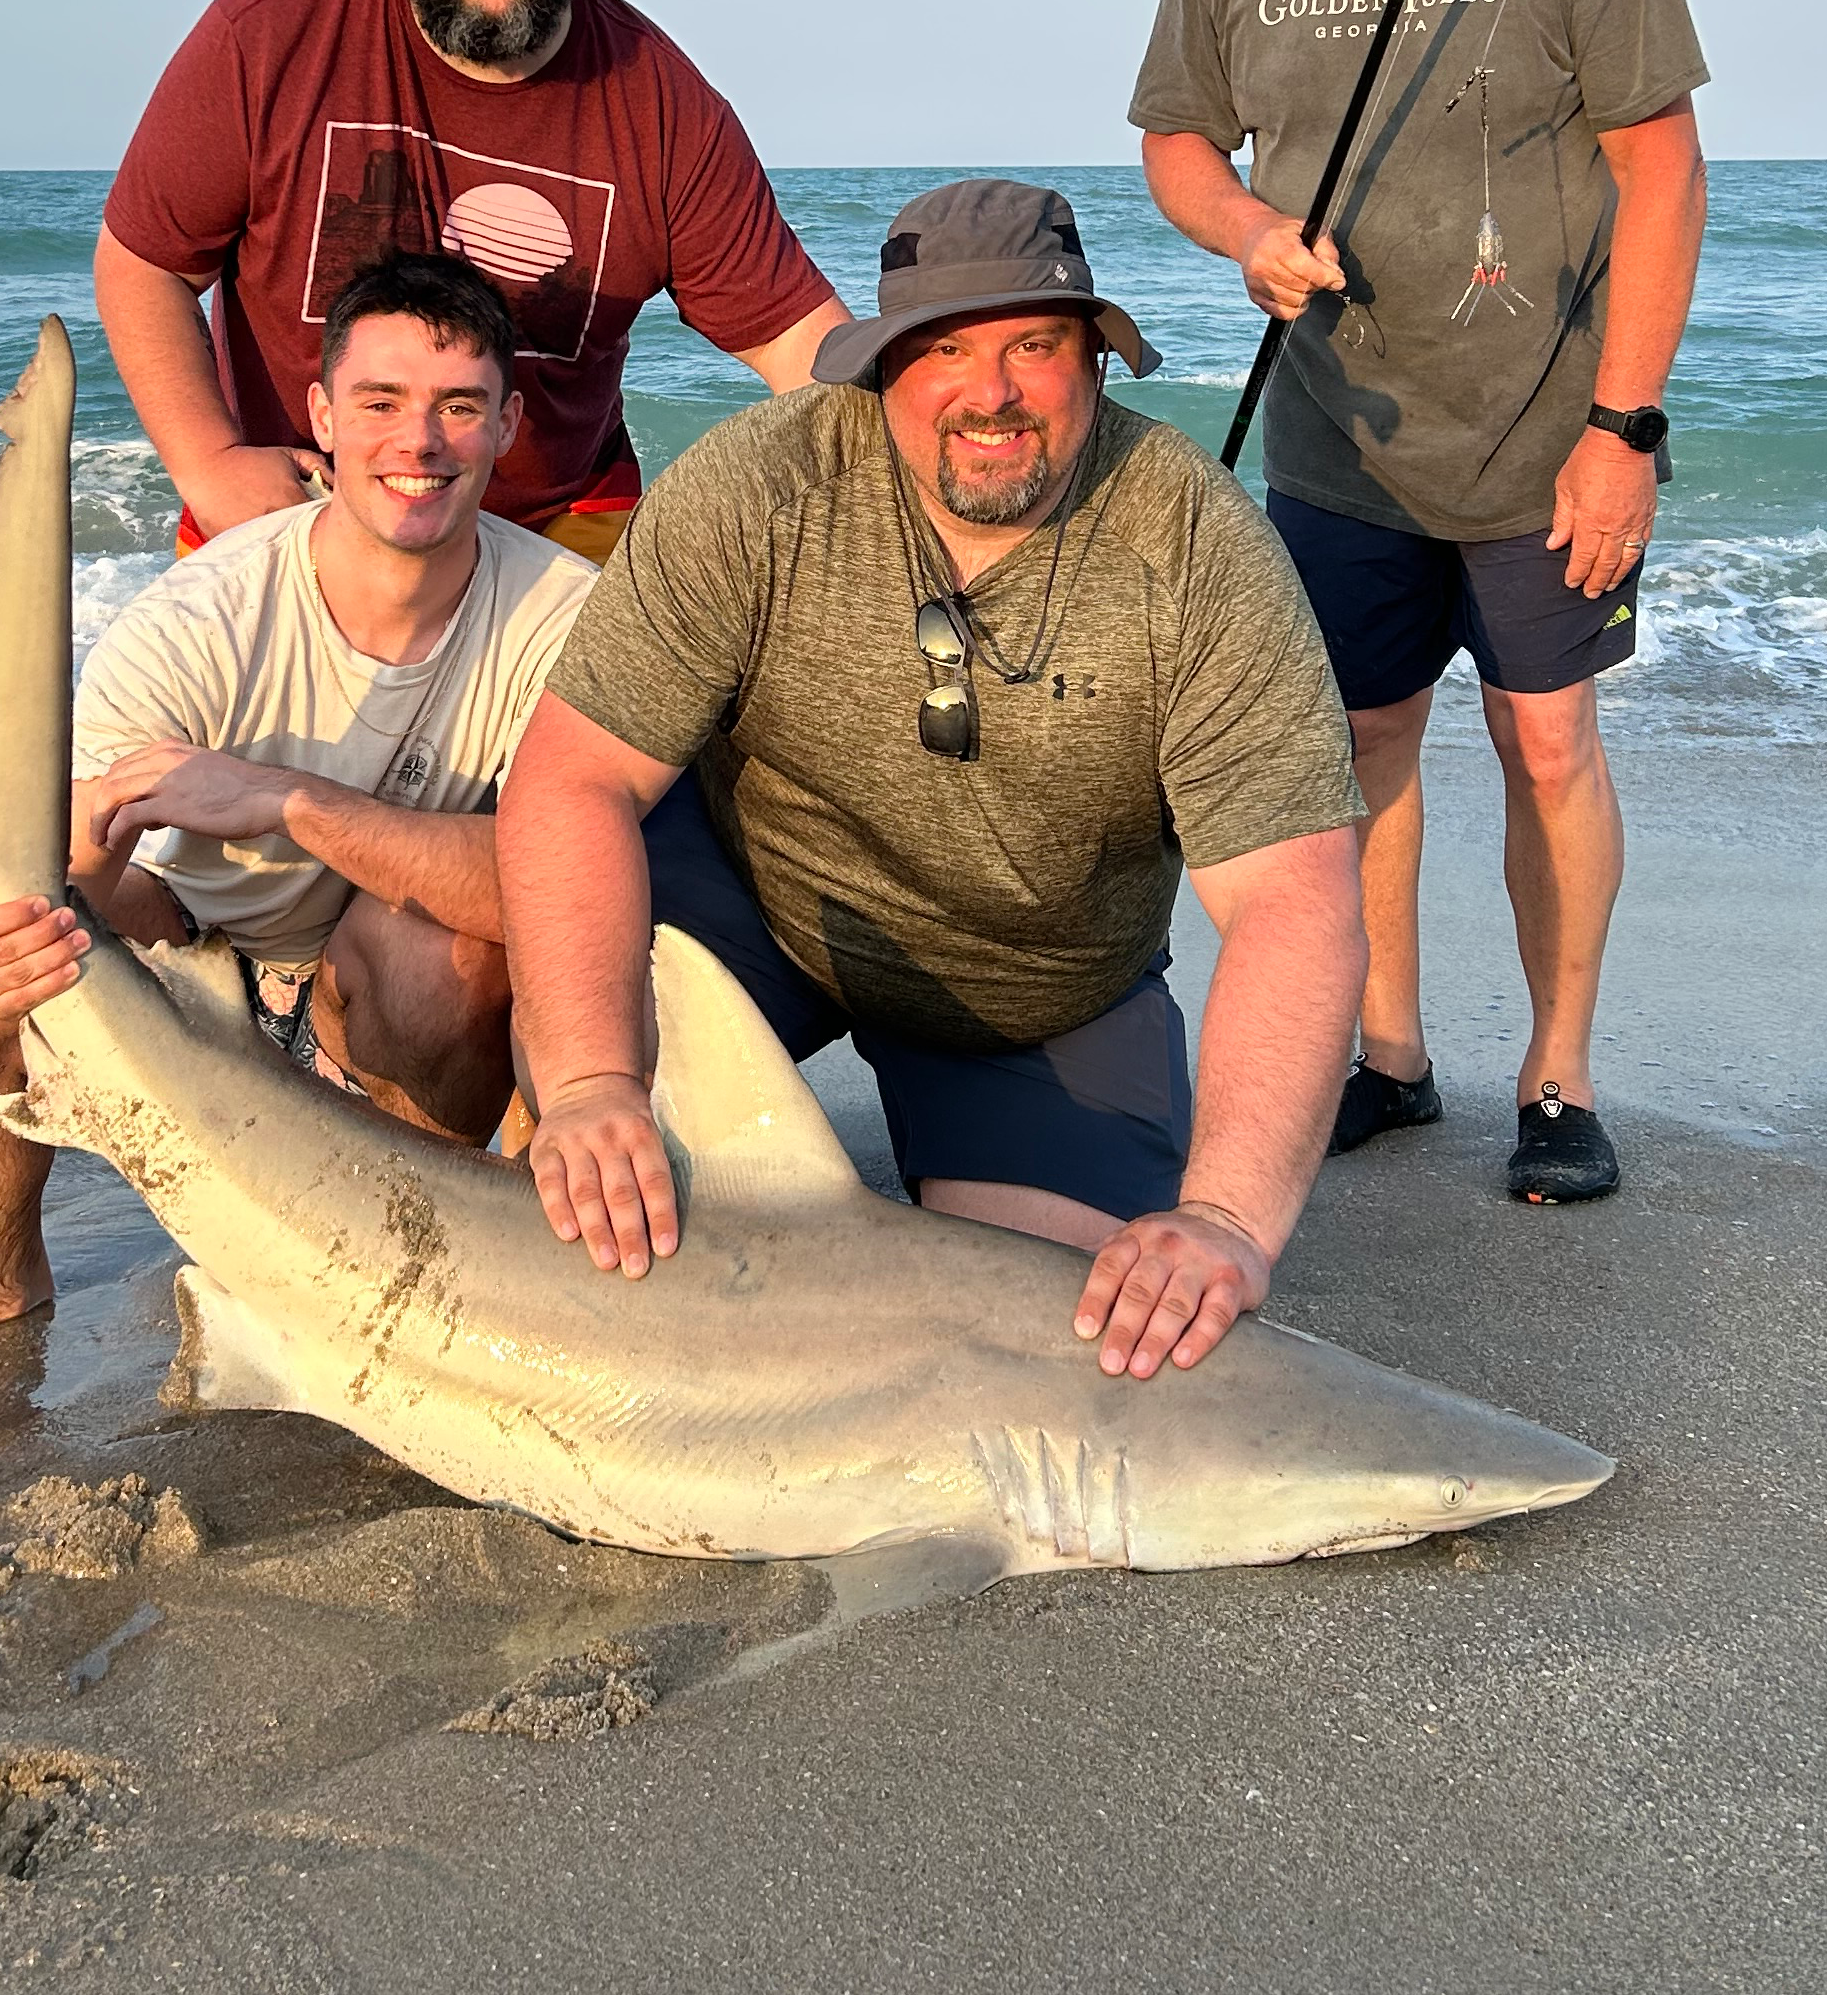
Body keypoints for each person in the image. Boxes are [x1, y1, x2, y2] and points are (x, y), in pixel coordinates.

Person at [495, 179, 1372, 1380]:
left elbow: (1293, 900)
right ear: (881, 369)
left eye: (1035, 345)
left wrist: (1224, 1218)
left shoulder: (1199, 547)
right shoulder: (763, 483)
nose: (991, 391)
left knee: (1072, 1344)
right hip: (758, 913)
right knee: (547, 1190)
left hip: (1036, 989)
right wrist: (594, 1079)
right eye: (945, 348)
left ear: (1098, 363)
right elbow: (574, 780)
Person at [1130, 0, 1710, 1204]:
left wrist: (1623, 429)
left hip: (1548, 434)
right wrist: (1243, 226)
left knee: (1545, 741)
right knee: (1363, 737)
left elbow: (1658, 175)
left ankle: (1556, 1074)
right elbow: (1174, 130)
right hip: (1337, 439)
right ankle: (1385, 1051)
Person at [0, 253, 594, 1327]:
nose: (419, 442)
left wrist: (290, 801)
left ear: (505, 424)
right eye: (382, 403)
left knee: (445, 954)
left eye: (458, 406)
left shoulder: (567, 617)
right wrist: (18, 909)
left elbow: (574, 898)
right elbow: (67, 861)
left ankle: (387, 1277)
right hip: (195, 959)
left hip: (377, 990)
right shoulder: (203, 616)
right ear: (322, 414)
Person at [95, 0, 849, 566]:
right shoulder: (268, 35)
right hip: (298, 503)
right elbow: (145, 264)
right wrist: (211, 466)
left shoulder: (662, 102)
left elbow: (795, 344)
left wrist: (915, 452)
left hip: (555, 523)